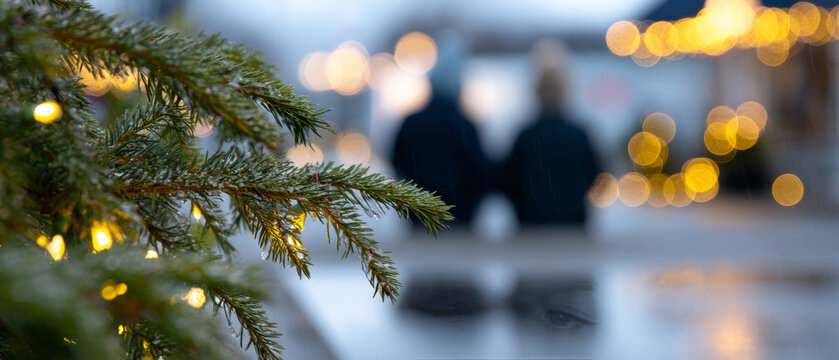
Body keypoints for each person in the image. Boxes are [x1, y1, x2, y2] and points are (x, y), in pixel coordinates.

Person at [391, 32, 490, 227]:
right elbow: (482, 172)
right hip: (460, 223)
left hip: (420, 222)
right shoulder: (464, 125)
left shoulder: (411, 123)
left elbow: (397, 162)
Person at [500, 42, 601, 226]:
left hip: (531, 226)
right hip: (573, 226)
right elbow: (594, 175)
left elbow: (507, 180)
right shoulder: (579, 136)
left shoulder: (526, 137)